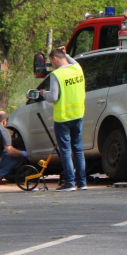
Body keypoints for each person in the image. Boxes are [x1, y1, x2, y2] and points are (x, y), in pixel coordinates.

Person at [40, 47, 87, 192]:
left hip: (62, 118)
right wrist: (66, 53)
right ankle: (82, 182)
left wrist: (43, 93)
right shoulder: (77, 69)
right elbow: (72, 61)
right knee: (78, 150)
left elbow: (53, 97)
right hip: (78, 115)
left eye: (51, 61)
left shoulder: (57, 74)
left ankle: (69, 182)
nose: (51, 65)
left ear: (55, 58)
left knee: (66, 151)